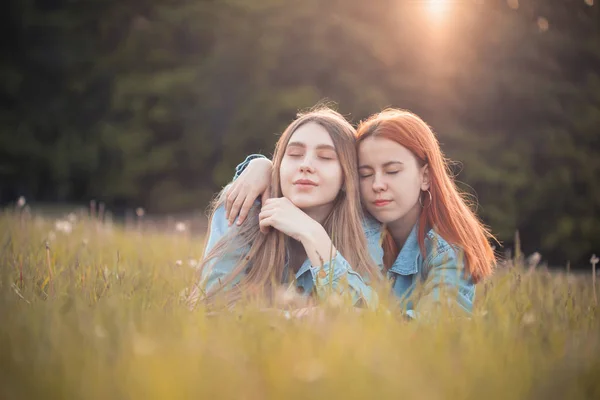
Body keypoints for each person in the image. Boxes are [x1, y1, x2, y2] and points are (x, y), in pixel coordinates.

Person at [227, 109, 496, 317]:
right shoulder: (356, 223)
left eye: (392, 171)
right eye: (365, 174)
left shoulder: (447, 253)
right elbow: (313, 168)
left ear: (425, 176)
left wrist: (312, 234)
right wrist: (262, 166)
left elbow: (428, 335)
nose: (377, 184)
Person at [188, 107, 383, 310]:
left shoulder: (364, 228)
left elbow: (367, 314)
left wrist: (312, 234)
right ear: (279, 165)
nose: (305, 165)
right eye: (295, 154)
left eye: (325, 157)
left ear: (346, 177)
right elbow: (211, 304)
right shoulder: (244, 202)